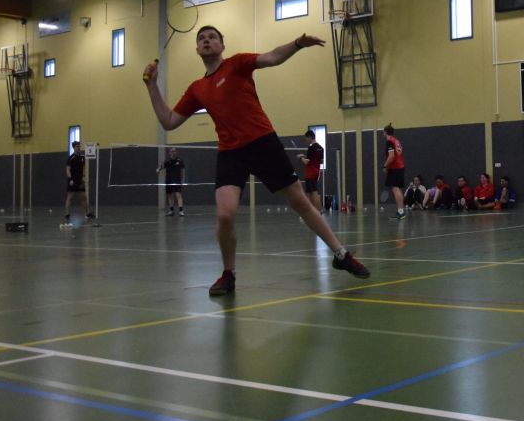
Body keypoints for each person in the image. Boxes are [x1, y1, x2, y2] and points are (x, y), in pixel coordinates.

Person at [142, 26, 370, 296]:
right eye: (201, 38)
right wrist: (152, 86)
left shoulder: (237, 63)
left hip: (263, 143)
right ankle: (228, 274)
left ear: (222, 45)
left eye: (212, 37)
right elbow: (169, 121)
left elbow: (272, 57)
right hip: (230, 153)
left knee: (300, 202)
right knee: (224, 214)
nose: (206, 40)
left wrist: (297, 43)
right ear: (197, 49)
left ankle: (341, 254)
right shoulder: (197, 89)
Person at [65, 141, 95, 221]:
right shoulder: (71, 158)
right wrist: (70, 179)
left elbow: (83, 168)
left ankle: (87, 213)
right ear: (74, 148)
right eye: (77, 146)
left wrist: (84, 177)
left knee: (83, 197)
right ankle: (67, 214)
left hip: (80, 181)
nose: (78, 148)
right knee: (69, 197)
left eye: (79, 146)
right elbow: (68, 170)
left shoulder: (82, 157)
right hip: (72, 181)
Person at [383, 123, 406, 220]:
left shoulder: (389, 141)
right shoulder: (396, 140)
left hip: (395, 168)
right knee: (398, 189)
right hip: (400, 167)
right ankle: (401, 211)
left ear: (385, 132)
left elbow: (391, 156)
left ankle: (401, 212)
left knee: (395, 189)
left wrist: (385, 166)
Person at [297, 130, 324, 211]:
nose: (306, 140)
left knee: (314, 192)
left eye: (306, 138)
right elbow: (319, 161)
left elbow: (306, 162)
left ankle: (318, 211)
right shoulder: (320, 148)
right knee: (309, 193)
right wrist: (305, 156)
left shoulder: (311, 147)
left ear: (309, 137)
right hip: (316, 173)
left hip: (310, 173)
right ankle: (309, 211)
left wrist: (300, 157)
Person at [157, 146, 186, 216]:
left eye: (175, 151)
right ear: (169, 153)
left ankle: (181, 211)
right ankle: (171, 211)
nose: (173, 152)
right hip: (169, 180)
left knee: (178, 195)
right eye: (172, 151)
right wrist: (158, 169)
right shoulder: (167, 161)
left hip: (177, 180)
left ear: (176, 152)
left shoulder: (180, 161)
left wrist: (183, 180)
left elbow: (183, 171)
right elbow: (160, 167)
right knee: (170, 195)